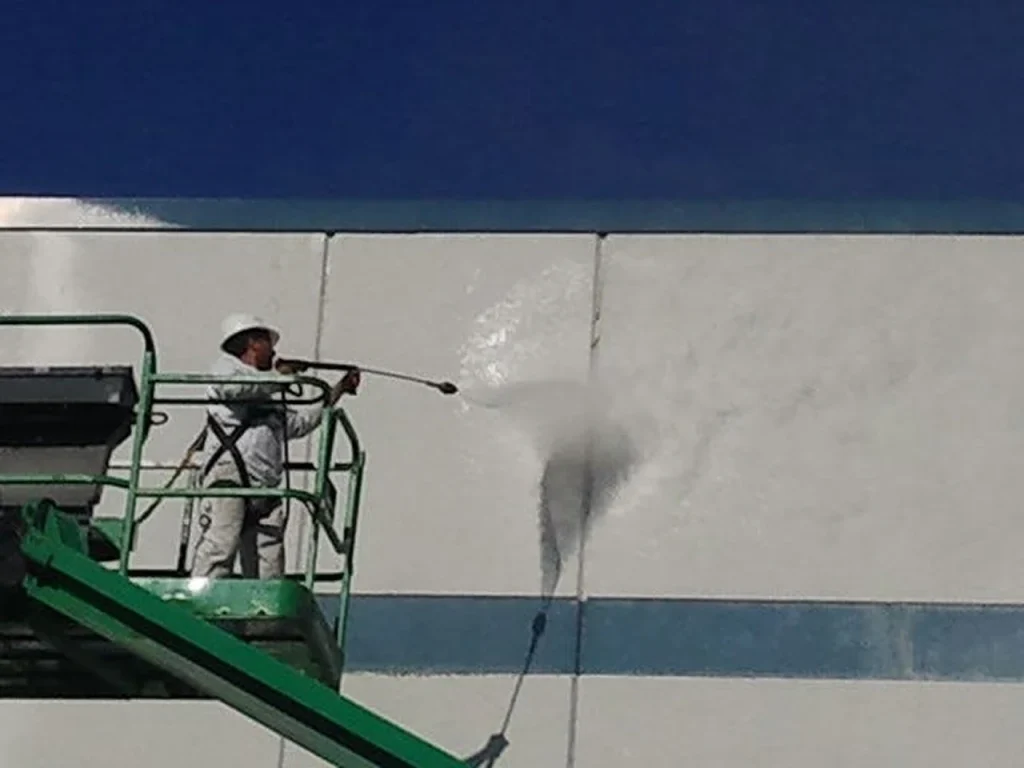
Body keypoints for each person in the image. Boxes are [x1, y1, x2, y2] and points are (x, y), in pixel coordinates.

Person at [190, 313, 360, 580]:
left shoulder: (271, 387)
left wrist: (337, 391)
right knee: (221, 543)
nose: (275, 350)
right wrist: (279, 376)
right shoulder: (226, 368)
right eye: (268, 343)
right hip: (230, 474)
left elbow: (298, 424)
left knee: (268, 557)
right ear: (253, 342)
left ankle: (262, 614)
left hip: (266, 480)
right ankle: (198, 599)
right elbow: (232, 390)